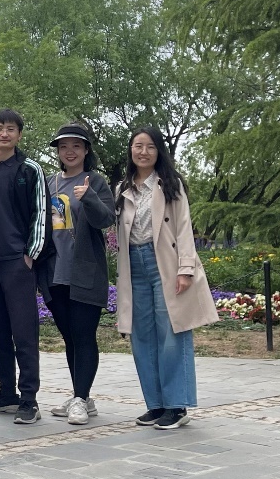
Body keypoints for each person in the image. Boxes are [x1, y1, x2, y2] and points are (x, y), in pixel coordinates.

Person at [115, 126, 217, 430]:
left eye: (150, 146)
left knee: (172, 332)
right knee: (142, 335)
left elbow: (184, 227)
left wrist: (186, 269)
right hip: (133, 264)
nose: (143, 152)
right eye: (138, 146)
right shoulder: (123, 188)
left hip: (165, 263)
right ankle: (156, 404)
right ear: (131, 150)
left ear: (159, 151)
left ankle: (177, 405)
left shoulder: (170, 184)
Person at [0, 108, 54, 425]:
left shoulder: (30, 169)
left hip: (18, 263)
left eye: (10, 129)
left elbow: (41, 213)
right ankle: (6, 392)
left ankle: (29, 398)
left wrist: (30, 253)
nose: (4, 133)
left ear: (19, 135)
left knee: (24, 333)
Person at [43, 123, 116, 425]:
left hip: (85, 271)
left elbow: (106, 219)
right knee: (70, 337)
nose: (69, 151)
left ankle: (80, 398)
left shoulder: (95, 181)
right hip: (54, 272)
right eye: (63, 146)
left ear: (86, 150)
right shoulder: (48, 183)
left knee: (84, 336)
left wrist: (89, 197)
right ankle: (81, 396)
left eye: (76, 145)